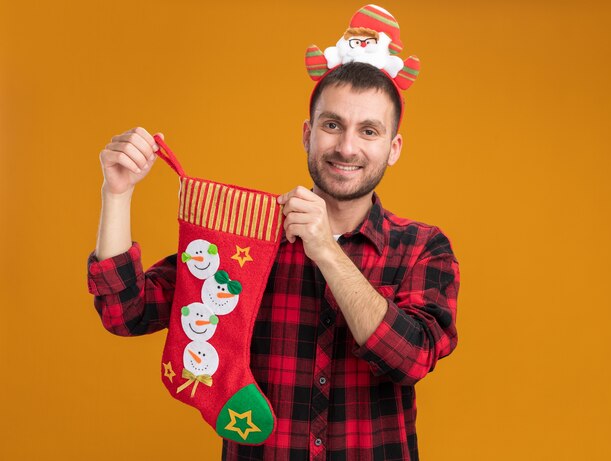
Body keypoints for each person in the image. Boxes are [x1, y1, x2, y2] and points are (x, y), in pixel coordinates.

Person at [87, 59, 459, 460]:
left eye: (368, 131)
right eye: (331, 125)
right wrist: (117, 194)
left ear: (393, 148)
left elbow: (412, 360)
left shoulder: (423, 247)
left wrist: (326, 251)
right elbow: (126, 313)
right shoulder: (248, 236)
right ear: (307, 134)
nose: (347, 147)